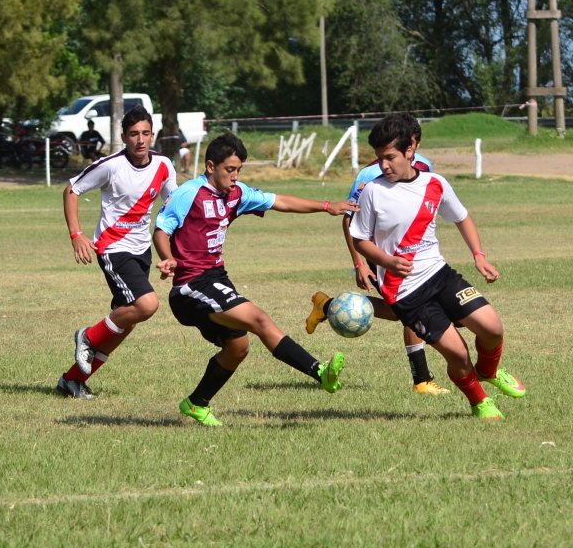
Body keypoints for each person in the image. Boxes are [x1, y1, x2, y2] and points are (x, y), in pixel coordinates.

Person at [153, 132, 357, 427]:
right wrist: (168, 257)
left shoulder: (236, 194)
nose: (235, 177)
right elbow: (161, 230)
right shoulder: (189, 193)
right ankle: (319, 371)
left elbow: (280, 201)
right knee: (260, 319)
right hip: (190, 286)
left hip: (216, 278)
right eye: (229, 170)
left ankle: (196, 403)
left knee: (238, 348)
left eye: (239, 170)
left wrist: (326, 206)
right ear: (210, 166)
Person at [347, 113, 526, 421]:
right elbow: (360, 239)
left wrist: (479, 256)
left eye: (389, 157)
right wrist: (387, 261)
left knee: (492, 327)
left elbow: (461, 217)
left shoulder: (435, 184)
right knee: (457, 353)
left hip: (440, 275)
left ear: (411, 147)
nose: (384, 166)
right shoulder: (373, 192)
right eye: (379, 159)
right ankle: (479, 401)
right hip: (403, 292)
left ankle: (488, 371)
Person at [304, 138, 450, 396]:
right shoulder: (369, 174)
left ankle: (327, 305)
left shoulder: (425, 165)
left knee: (399, 312)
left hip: (412, 251)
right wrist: (359, 262)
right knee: (412, 308)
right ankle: (422, 380)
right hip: (381, 254)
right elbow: (350, 220)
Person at [57, 106, 177, 400]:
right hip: (113, 248)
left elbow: (173, 207)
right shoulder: (110, 165)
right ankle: (87, 336)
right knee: (147, 305)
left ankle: (72, 380)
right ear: (124, 136)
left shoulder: (163, 166)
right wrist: (77, 234)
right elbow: (71, 190)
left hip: (142, 251)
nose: (140, 140)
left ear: (152, 135)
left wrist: (170, 255)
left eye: (145, 133)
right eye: (134, 134)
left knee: (125, 322)